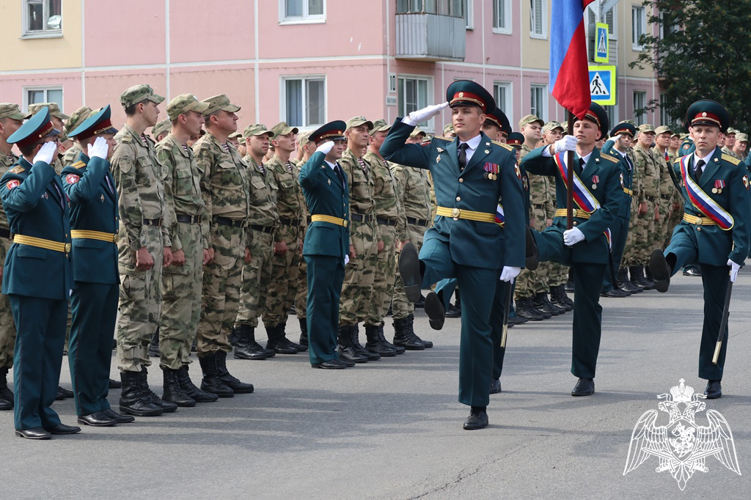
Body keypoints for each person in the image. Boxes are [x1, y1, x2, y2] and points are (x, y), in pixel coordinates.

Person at [381, 80, 526, 430]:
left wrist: (514, 258)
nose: (459, 116)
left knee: (477, 329)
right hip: (444, 231)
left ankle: (477, 405)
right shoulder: (437, 149)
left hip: (483, 244)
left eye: (467, 111)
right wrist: (410, 120)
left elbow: (517, 211)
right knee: (429, 257)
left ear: (482, 117)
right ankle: (421, 277)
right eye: (455, 110)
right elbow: (390, 150)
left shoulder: (502, 157)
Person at [649, 100, 750, 399]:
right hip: (690, 227)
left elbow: (742, 213)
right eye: (698, 129)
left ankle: (712, 375)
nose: (703, 135)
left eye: (709, 130)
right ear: (690, 133)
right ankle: (665, 268)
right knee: (678, 246)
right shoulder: (681, 165)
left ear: (720, 136)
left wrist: (739, 252)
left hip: (719, 239)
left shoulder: (733, 167)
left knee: (716, 313)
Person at [521, 102, 621, 397]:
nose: (580, 129)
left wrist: (585, 231)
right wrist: (550, 149)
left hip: (591, 236)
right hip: (562, 229)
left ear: (598, 133)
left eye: (587, 126)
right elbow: (527, 164)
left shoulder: (610, 166)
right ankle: (525, 248)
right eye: (576, 125)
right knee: (543, 242)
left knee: (587, 308)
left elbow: (613, 208)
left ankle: (585, 374)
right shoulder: (561, 158)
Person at [0, 108, 79, 439]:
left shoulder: (52, 176)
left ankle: (45, 411)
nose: (58, 145)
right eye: (51, 141)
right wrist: (42, 166)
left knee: (49, 348)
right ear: (38, 144)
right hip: (30, 272)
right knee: (30, 348)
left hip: (56, 272)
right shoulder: (14, 176)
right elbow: (23, 201)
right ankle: (27, 418)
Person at [62, 106, 133, 426]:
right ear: (93, 140)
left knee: (104, 337)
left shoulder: (99, 170)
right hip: (86, 260)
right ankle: (86, 405)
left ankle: (100, 399)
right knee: (86, 336)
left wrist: (99, 164)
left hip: (104, 258)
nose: (113, 141)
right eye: (108, 136)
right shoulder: (75, 169)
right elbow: (82, 196)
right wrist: (97, 161)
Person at [112, 84, 176, 417]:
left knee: (150, 312)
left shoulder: (145, 146)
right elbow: (124, 204)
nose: (158, 111)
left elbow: (158, 201)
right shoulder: (124, 148)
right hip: (135, 240)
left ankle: (141, 383)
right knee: (135, 312)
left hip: (152, 236)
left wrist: (163, 241)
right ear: (140, 107)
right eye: (154, 105)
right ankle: (130, 390)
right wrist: (138, 246)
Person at [155, 94, 218, 406]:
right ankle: (170, 379)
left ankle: (182, 373)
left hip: (194, 235)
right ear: (182, 117)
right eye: (197, 114)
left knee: (191, 310)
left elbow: (198, 204)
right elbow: (164, 201)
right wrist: (172, 243)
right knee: (175, 310)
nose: (202, 119)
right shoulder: (164, 150)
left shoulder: (187, 151)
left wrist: (204, 243)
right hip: (179, 235)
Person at [193, 94, 254, 397]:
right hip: (217, 234)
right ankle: (209, 373)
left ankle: (221, 367)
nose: (236, 119)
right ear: (214, 118)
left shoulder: (229, 148)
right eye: (231, 114)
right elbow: (200, 198)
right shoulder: (204, 149)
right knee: (213, 304)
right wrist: (205, 241)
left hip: (235, 235)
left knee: (230, 304)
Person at [298, 121, 351, 369]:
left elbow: (343, 210)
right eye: (335, 142)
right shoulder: (316, 169)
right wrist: (318, 151)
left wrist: (346, 244)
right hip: (320, 242)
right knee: (319, 300)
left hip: (336, 240)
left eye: (342, 142)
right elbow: (306, 177)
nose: (341, 146)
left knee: (331, 299)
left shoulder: (338, 170)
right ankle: (320, 354)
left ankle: (331, 349)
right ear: (323, 145)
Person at [233, 124, 279, 360]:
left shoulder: (266, 171)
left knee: (261, 290)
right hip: (251, 236)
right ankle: (243, 339)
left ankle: (250, 337)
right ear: (247, 141)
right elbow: (242, 208)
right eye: (260, 138)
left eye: (267, 138)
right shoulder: (243, 169)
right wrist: (246, 244)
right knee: (248, 290)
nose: (265, 142)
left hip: (267, 236)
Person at [336, 117, 380, 363]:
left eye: (367, 131)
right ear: (347, 134)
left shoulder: (363, 163)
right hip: (354, 229)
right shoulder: (345, 163)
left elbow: (370, 203)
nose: (365, 134)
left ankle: (354, 339)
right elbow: (344, 204)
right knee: (350, 288)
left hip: (368, 230)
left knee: (365, 287)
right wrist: (348, 239)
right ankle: (344, 342)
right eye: (359, 130)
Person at [362, 120, 407, 356]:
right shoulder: (369, 164)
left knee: (386, 284)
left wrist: (402, 234)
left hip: (391, 229)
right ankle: (372, 336)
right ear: (371, 139)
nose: (387, 138)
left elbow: (395, 203)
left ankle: (378, 333)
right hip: (378, 229)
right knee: (376, 284)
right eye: (383, 135)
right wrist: (377, 235)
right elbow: (369, 203)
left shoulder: (385, 163)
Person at [263, 122, 306, 353]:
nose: (292, 139)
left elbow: (300, 206)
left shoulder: (293, 169)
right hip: (280, 233)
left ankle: (280, 333)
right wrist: (278, 237)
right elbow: (272, 206)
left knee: (290, 286)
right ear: (275, 142)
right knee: (276, 287)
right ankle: (274, 335)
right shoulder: (271, 169)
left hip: (294, 233)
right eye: (287, 136)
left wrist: (300, 234)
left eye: (293, 136)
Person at [390, 129, 435, 350]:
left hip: (422, 229)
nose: (417, 142)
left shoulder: (419, 168)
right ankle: (402, 332)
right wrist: (402, 236)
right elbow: (396, 204)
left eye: (420, 139)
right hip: (408, 228)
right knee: (403, 283)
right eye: (413, 138)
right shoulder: (401, 169)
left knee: (414, 282)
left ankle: (409, 330)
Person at [0, 103, 28, 412]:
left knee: (11, 317)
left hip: (14, 244)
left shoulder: (15, 162)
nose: (21, 126)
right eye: (15, 121)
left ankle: (3, 377)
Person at [601, 122, 639, 297]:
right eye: (622, 136)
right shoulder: (610, 153)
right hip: (614, 205)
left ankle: (613, 282)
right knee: (609, 247)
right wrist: (610, 141)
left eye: (629, 137)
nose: (626, 139)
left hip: (625, 205)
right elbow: (603, 153)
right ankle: (605, 285)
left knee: (618, 248)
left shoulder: (627, 158)